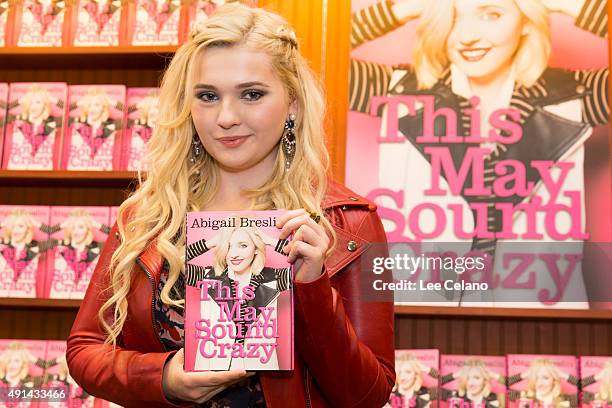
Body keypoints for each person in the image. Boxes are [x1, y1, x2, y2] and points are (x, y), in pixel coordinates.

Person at [66, 3, 394, 407]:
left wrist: (312, 288)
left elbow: (369, 395)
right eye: (207, 96)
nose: (225, 117)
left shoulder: (351, 223)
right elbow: (85, 349)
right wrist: (164, 376)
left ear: (292, 103)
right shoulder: (149, 216)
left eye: (251, 94)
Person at [349, 0, 608, 305]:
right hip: (426, 310)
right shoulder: (402, 89)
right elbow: (308, 55)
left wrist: (567, 5)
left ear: (526, 21)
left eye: (492, 14)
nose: (467, 35)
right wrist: (402, 9)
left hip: (537, 313)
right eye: (454, 17)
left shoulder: (573, 95)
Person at [184, 218, 291, 371]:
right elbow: (177, 261)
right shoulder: (209, 276)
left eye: (243, 246)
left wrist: (268, 240)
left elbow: (299, 262)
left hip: (260, 369)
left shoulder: (273, 279)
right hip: (213, 367)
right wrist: (213, 242)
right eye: (228, 246)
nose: (234, 254)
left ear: (255, 249)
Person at [49, 209, 106, 299]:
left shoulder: (98, 247)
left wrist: (96, 225)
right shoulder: (60, 245)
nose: (76, 232)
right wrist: (62, 225)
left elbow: (116, 238)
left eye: (81, 227)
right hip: (59, 298)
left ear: (88, 229)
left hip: (84, 301)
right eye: (73, 227)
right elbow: (48, 233)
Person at [7, 84, 61, 170]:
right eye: (31, 102)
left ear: (45, 105)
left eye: (38, 102)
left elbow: (67, 110)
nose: (33, 107)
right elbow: (4, 109)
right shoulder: (19, 121)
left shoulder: (52, 122)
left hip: (43, 174)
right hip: (15, 173)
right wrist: (19, 100)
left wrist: (53, 100)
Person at [508, 358, 578, 408]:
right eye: (536, 378)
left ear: (553, 380)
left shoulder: (566, 400)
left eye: (545, 378)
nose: (540, 383)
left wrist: (563, 375)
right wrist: (524, 375)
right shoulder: (523, 396)